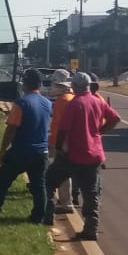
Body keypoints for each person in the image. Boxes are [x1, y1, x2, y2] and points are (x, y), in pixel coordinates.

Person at [45, 72, 122, 240]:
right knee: (90, 193)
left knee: (49, 180)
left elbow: (63, 130)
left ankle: (47, 216)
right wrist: (99, 132)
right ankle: (91, 229)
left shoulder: (75, 104)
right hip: (94, 154)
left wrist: (58, 148)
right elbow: (115, 119)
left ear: (74, 87)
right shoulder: (97, 101)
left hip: (74, 154)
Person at [0, 69, 52, 223]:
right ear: (40, 85)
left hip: (21, 151)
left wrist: (2, 151)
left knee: (1, 184)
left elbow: (11, 128)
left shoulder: (21, 103)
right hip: (41, 152)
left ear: (25, 84)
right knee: (39, 187)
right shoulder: (47, 103)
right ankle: (38, 217)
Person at [46, 69, 75, 214]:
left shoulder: (62, 101)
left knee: (58, 174)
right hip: (70, 141)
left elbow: (58, 125)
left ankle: (65, 203)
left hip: (61, 142)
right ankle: (67, 200)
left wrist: (55, 144)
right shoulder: (71, 98)